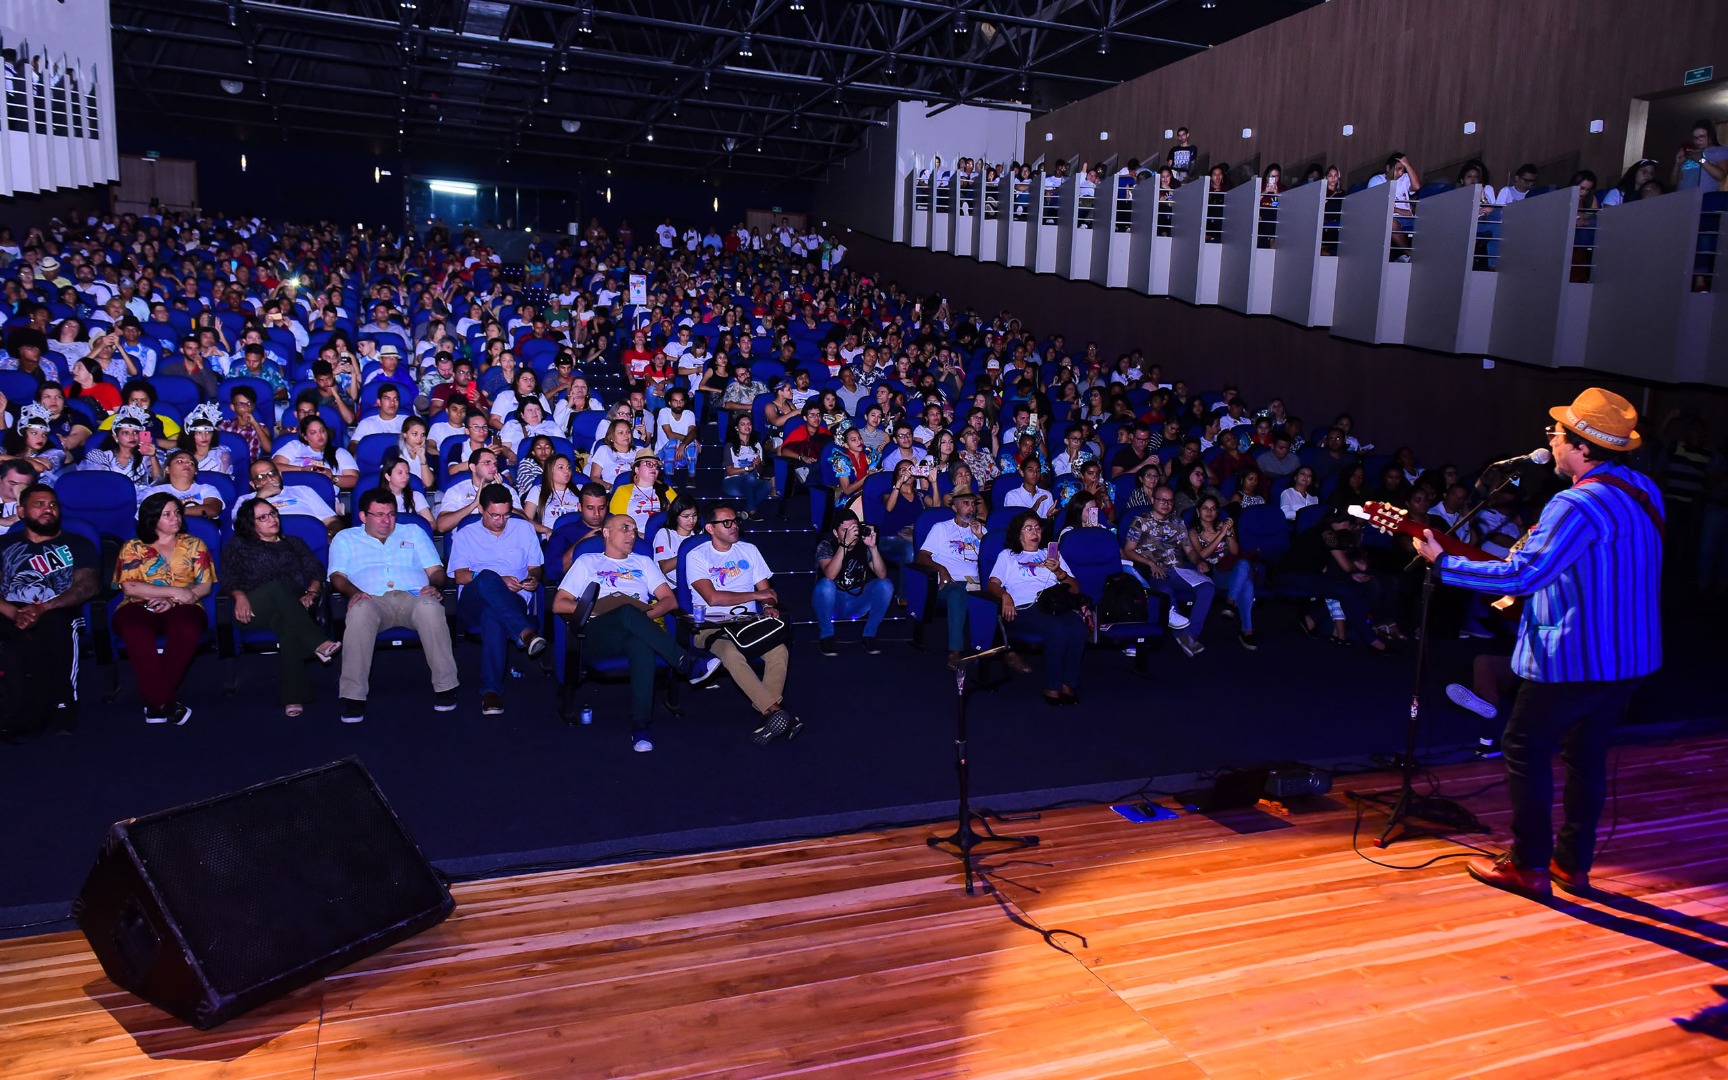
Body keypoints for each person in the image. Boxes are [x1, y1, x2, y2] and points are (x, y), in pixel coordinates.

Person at [1415, 389, 1663, 900]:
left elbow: (1524, 575)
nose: (1550, 437)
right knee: (1586, 758)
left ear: (1580, 447)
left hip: (1576, 657)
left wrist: (1444, 563)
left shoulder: (1577, 503)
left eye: (1558, 431)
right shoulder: (1643, 489)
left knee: (1524, 747)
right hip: (1629, 654)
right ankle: (1571, 866)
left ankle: (1528, 864)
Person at [554, 512, 723, 752]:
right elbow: (559, 603)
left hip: (635, 626)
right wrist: (595, 610)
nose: (632, 534)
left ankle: (640, 725)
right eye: (624, 528)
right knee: (626, 612)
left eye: (634, 529)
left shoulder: (643, 562)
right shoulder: (587, 562)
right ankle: (685, 662)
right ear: (606, 532)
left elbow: (668, 601)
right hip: (598, 632)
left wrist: (639, 619)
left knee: (639, 642)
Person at [327, 489, 460, 722]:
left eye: (390, 514)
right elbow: (337, 575)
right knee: (358, 613)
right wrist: (354, 593)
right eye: (378, 514)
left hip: (414, 596)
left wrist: (435, 586)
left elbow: (436, 570)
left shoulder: (414, 532)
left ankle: (446, 686)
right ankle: (352, 696)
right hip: (371, 598)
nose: (386, 521)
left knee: (431, 608)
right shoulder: (346, 538)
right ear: (362, 516)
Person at [685, 504, 800, 743]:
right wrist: (757, 596)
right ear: (710, 528)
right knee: (731, 653)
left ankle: (770, 715)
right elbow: (712, 597)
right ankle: (776, 712)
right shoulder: (696, 556)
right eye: (727, 522)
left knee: (779, 650)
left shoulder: (749, 550)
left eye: (736, 521)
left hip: (748, 623)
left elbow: (768, 592)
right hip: (711, 625)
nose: (734, 526)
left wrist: (767, 604)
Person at [221, 497, 342, 717]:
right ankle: (318, 642)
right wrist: (239, 596)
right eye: (263, 517)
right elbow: (227, 579)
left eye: (273, 513)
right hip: (253, 609)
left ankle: (293, 697)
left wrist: (311, 592)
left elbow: (316, 572)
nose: (272, 519)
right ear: (251, 523)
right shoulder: (239, 545)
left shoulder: (294, 543)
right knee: (276, 587)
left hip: (291, 609)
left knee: (287, 627)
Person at [0, 484, 99, 736]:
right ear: (21, 511)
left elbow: (87, 586)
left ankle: (63, 704)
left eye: (53, 505)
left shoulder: (79, 543)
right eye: (39, 504)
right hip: (9, 608)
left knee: (58, 626)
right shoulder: (4, 544)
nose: (48, 510)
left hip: (58, 607)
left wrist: (44, 607)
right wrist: (13, 612)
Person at [112, 492, 217, 726]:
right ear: (152, 519)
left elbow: (205, 584)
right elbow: (129, 587)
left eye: (177, 513)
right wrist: (171, 592)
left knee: (187, 629)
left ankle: (156, 702)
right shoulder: (133, 547)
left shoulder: (194, 544)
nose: (175, 518)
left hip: (185, 603)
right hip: (138, 604)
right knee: (134, 629)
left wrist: (175, 600)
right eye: (167, 514)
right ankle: (165, 702)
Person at [446, 484, 548, 717]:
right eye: (494, 515)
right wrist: (497, 580)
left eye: (505, 515)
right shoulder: (466, 534)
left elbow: (535, 568)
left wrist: (532, 579)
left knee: (493, 615)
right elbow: (460, 575)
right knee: (487, 576)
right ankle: (525, 633)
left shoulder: (524, 529)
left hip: (515, 598)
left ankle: (490, 691)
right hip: (474, 599)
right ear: (481, 510)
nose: (501, 521)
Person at [985, 510, 1087, 706]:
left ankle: (1068, 682)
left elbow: (1075, 589)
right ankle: (1052, 685)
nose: (1035, 533)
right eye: (1029, 529)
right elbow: (992, 584)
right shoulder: (1008, 556)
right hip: (1024, 607)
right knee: (1057, 629)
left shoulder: (1051, 554)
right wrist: (1005, 596)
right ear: (1018, 533)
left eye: (1038, 528)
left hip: (1054, 604)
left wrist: (1058, 571)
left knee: (1078, 628)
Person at [1121, 486, 1210, 657]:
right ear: (1153, 500)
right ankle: (1184, 636)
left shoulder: (1178, 522)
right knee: (1165, 592)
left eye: (1169, 501)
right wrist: (1150, 563)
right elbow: (1129, 550)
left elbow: (1189, 550)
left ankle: (1188, 635)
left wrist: (1199, 561)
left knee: (1207, 587)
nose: (1166, 504)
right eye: (1162, 500)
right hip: (1153, 571)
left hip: (1178, 570)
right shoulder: (1140, 521)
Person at [812, 511, 894, 656]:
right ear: (835, 533)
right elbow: (830, 574)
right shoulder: (826, 545)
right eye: (846, 530)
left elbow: (882, 574)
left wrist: (873, 548)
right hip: (833, 602)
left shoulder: (863, 545)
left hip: (857, 600)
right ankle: (826, 636)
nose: (852, 534)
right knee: (826, 585)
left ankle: (869, 635)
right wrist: (844, 545)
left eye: (854, 529)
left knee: (886, 585)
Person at [1189, 494, 1256, 650]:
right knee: (1246, 581)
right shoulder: (1193, 532)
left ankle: (1231, 603)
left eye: (1213, 509)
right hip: (1212, 574)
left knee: (1244, 565)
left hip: (1231, 572)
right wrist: (1221, 534)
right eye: (1205, 508)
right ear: (1198, 511)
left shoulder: (1223, 526)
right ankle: (1247, 629)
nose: (1209, 512)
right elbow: (1201, 555)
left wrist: (1230, 532)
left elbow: (1234, 552)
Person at [609, 448, 680, 532]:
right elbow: (616, 522)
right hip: (635, 536)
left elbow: (681, 515)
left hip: (664, 536)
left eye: (656, 466)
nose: (654, 468)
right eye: (649, 464)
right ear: (637, 469)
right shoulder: (623, 491)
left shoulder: (666, 489)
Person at [722, 413, 774, 518]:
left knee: (766, 485)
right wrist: (748, 468)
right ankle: (752, 511)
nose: (747, 426)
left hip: (752, 481)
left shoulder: (757, 446)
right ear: (737, 428)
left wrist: (757, 465)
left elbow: (760, 471)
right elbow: (730, 471)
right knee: (749, 478)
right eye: (743, 424)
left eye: (749, 424)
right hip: (733, 481)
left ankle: (746, 512)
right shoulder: (730, 446)